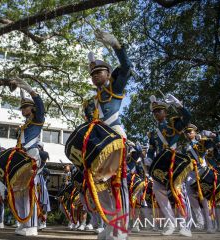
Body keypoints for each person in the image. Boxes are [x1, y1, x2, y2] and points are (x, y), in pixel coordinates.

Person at [86, 29, 132, 240]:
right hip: (99, 142)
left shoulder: (115, 88)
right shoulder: (92, 100)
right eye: (93, 73)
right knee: (99, 183)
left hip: (114, 137)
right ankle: (110, 224)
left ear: (108, 73)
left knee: (118, 182)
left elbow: (127, 67)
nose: (96, 75)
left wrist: (116, 45)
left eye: (100, 72)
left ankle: (121, 228)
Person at [145, 94, 192, 237]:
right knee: (158, 192)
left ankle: (184, 225)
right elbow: (152, 149)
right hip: (160, 165)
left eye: (159, 110)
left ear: (165, 112)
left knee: (178, 194)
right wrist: (148, 158)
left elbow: (188, 118)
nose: (157, 113)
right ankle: (170, 223)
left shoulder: (173, 124)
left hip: (173, 162)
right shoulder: (153, 133)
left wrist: (178, 105)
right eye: (154, 112)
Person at [11, 77, 45, 236]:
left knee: (30, 190)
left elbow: (40, 106)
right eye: (22, 107)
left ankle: (32, 225)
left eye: (25, 107)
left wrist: (30, 90)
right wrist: (21, 91)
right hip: (21, 157)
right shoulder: (25, 126)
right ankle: (24, 223)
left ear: (31, 108)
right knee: (19, 191)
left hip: (31, 156)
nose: (22, 110)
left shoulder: (37, 120)